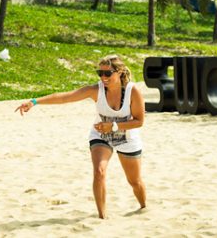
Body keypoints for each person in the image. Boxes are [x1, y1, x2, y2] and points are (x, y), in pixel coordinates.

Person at [15, 55, 146, 219]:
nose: (103, 77)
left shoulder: (132, 91)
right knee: (99, 172)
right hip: (101, 135)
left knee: (134, 181)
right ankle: (102, 217)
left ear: (119, 72)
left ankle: (143, 207)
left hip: (127, 138)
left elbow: (139, 121)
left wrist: (113, 125)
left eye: (107, 73)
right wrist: (34, 102)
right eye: (100, 73)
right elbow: (65, 97)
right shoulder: (95, 90)